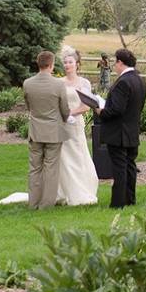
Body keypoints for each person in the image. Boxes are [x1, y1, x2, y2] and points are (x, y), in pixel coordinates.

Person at [95, 48, 146, 209]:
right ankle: (130, 199)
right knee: (130, 166)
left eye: (115, 62)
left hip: (119, 132)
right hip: (132, 129)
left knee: (119, 167)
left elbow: (116, 109)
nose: (114, 66)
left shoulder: (123, 82)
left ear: (120, 62)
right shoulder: (139, 80)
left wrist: (101, 111)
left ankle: (118, 202)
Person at [22, 51, 70, 209]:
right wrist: (64, 118)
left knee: (34, 168)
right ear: (51, 65)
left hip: (35, 131)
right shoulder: (58, 84)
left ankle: (33, 203)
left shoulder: (28, 83)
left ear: (38, 64)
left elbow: (29, 107)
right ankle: (46, 204)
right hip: (54, 132)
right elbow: (65, 109)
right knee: (51, 169)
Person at [57, 48, 99, 206]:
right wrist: (62, 115)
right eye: (65, 62)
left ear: (77, 64)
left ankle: (81, 189)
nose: (67, 65)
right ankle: (64, 191)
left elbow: (86, 106)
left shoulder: (84, 83)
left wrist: (70, 113)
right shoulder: (59, 83)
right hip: (62, 124)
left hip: (75, 124)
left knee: (78, 154)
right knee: (64, 157)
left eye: (70, 62)